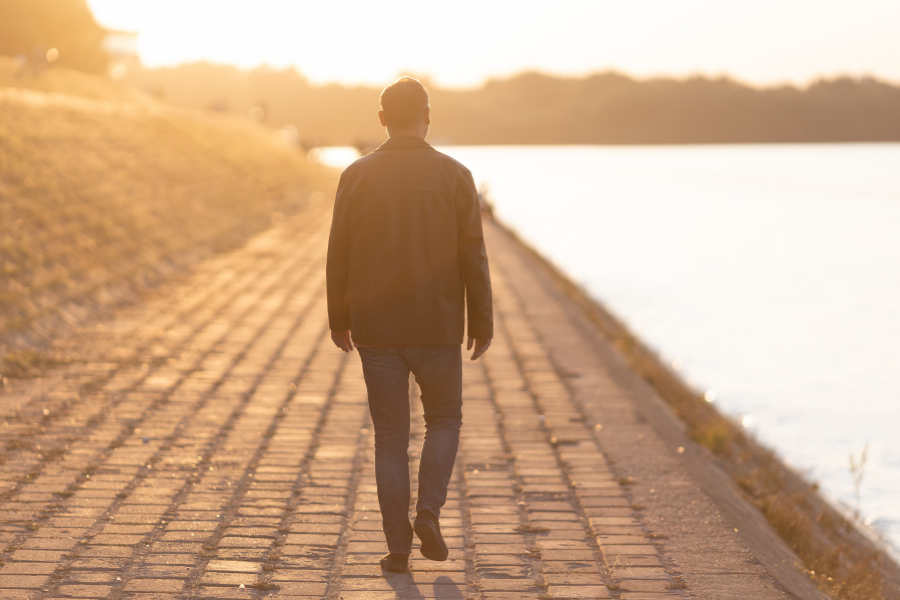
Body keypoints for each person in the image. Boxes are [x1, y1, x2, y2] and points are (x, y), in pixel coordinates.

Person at [326, 77, 493, 573]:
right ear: (427, 115)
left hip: (377, 328)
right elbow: (474, 256)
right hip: (438, 326)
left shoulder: (355, 175)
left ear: (381, 119)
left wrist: (340, 319)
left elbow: (339, 255)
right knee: (444, 421)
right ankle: (429, 513)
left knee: (390, 439)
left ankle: (398, 548)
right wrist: (481, 321)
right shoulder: (456, 175)